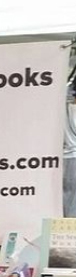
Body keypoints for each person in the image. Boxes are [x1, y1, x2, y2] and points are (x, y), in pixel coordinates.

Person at [63, 85, 76, 217]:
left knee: (65, 195)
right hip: (73, 157)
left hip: (61, 158)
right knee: (72, 199)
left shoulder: (62, 108)